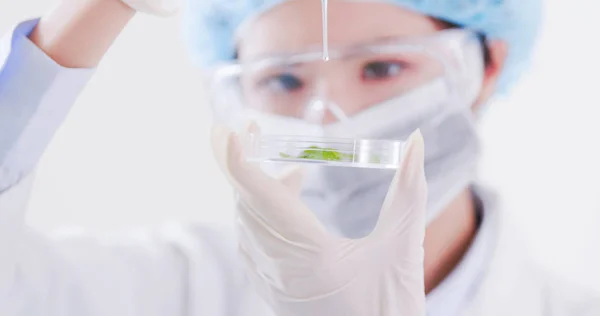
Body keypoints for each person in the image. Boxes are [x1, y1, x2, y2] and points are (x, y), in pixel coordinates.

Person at [0, 0, 598, 315]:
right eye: (284, 81)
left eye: (384, 67)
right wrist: (83, 21)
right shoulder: (179, 288)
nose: (332, 120)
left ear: (487, 66)